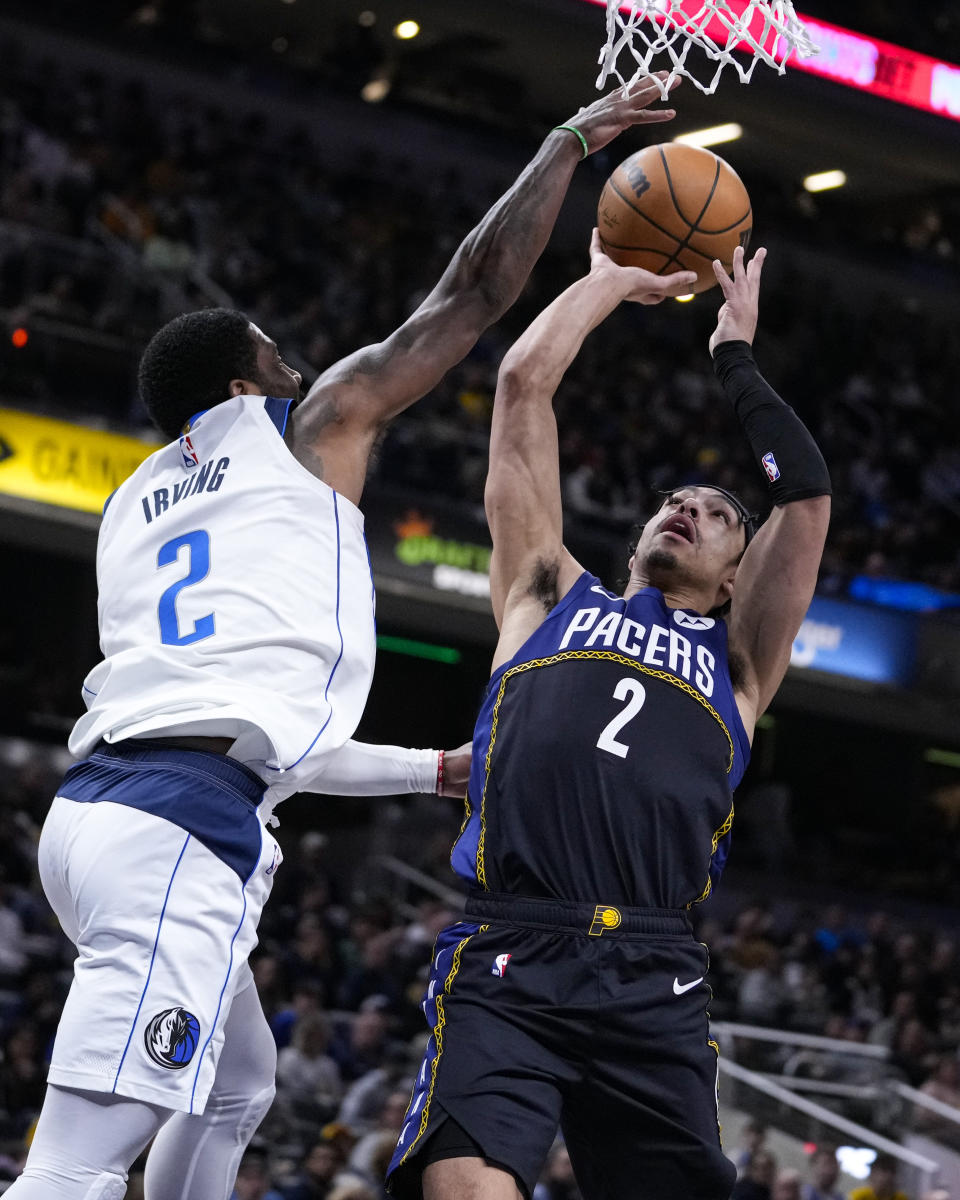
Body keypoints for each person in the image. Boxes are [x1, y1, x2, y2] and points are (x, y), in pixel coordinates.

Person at [7, 78, 685, 1200]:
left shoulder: (132, 506)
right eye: (275, 356)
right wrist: (568, 144)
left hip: (100, 821)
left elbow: (249, 728)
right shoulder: (311, 428)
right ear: (240, 382)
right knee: (75, 1168)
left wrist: (435, 771)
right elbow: (467, 295)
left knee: (237, 1086)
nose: (295, 367)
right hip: (177, 831)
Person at [387, 236, 831, 1200]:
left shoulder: (741, 663)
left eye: (717, 513)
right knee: (460, 1184)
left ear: (733, 578)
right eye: (674, 500)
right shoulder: (547, 596)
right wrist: (603, 284)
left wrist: (735, 356)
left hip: (652, 968)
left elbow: (804, 494)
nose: (688, 508)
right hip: (513, 945)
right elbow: (520, 387)